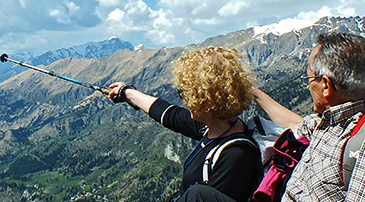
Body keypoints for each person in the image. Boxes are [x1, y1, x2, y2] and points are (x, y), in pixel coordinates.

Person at [252, 32, 365, 201]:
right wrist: (252, 92)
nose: (308, 88)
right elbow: (295, 124)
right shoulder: (328, 123)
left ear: (325, 85)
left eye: (308, 80)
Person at [108, 46, 262, 202]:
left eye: (186, 93)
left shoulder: (235, 156)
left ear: (206, 100)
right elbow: (168, 114)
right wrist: (126, 92)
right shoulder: (217, 126)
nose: (184, 101)